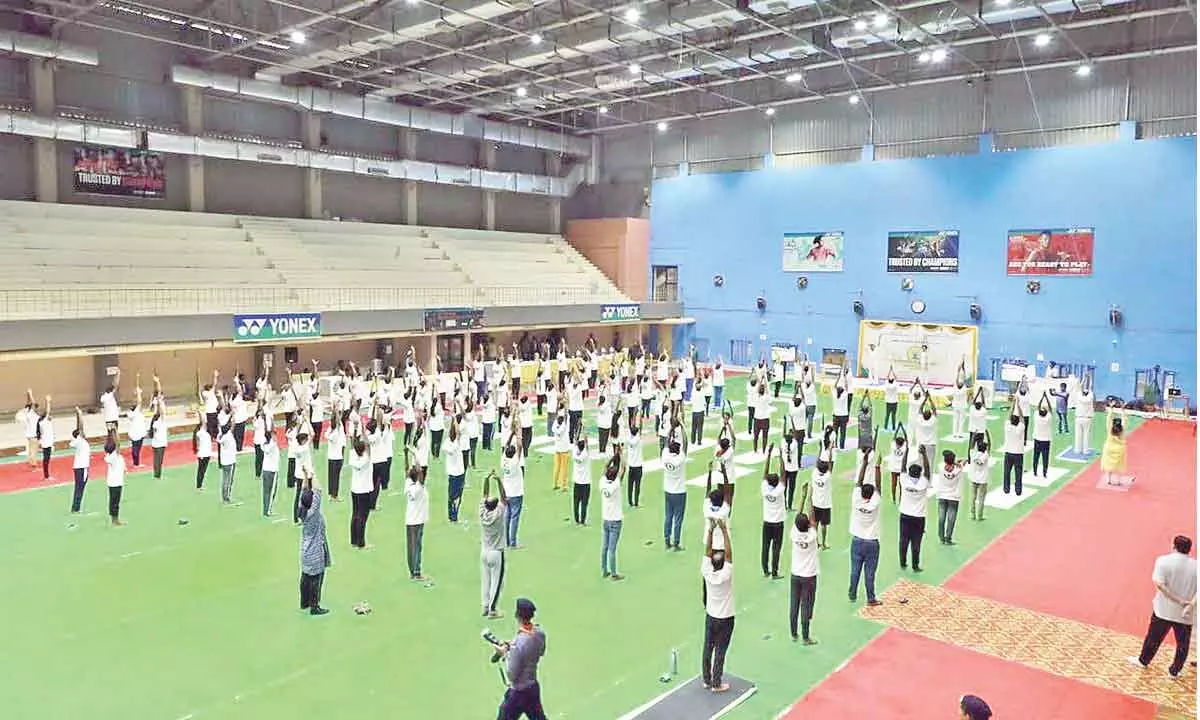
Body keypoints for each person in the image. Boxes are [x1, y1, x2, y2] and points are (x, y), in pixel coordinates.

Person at [1129, 535, 1196, 678]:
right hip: (1185, 613)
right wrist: (1188, 604)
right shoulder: (1196, 566)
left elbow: (1160, 584)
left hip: (1163, 610)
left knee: (1153, 637)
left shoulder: (1163, 561)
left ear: (1174, 546)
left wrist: (1177, 599)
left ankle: (1143, 660)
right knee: (1182, 644)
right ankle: (1175, 671)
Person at [493, 598, 548, 720]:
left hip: (518, 694)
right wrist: (511, 645)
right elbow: (541, 651)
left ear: (517, 615)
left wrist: (504, 655)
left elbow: (512, 674)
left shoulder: (519, 644)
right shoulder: (539, 633)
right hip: (532, 687)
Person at [701, 518, 736, 693]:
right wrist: (724, 531)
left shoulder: (707, 571)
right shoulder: (726, 574)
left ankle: (707, 679)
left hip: (711, 615)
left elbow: (707, 552)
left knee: (708, 647)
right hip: (726, 617)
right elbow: (729, 553)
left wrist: (710, 531)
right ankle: (717, 682)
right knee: (720, 650)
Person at [297, 472, 331, 616]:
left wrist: (306, 476)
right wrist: (313, 474)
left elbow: (303, 492)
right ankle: (314, 605)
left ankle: (304, 602)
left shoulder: (302, 510)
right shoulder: (313, 514)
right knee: (317, 579)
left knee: (305, 577)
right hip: (316, 551)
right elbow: (318, 491)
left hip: (305, 551)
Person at [848, 469, 883, 607]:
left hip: (857, 540)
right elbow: (879, 486)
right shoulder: (875, 503)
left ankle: (852, 593)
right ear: (872, 494)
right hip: (872, 542)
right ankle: (871, 598)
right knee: (870, 573)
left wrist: (864, 462)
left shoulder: (856, 499)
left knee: (855, 570)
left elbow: (859, 482)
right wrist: (877, 468)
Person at [479, 469, 509, 617]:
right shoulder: (499, 513)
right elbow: (504, 498)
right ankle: (493, 609)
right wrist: (499, 481)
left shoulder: (482, 511)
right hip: (496, 552)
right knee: (497, 582)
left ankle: (485, 605)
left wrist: (487, 479)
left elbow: (484, 495)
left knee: (485, 579)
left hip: (484, 551)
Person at [789, 511, 819, 645]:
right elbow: (813, 520)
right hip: (809, 575)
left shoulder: (794, 534)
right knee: (806, 605)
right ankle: (806, 637)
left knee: (794, 604)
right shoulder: (812, 535)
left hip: (796, 574)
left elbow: (800, 523)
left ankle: (794, 633)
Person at [898, 448, 930, 573]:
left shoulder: (904, 481)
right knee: (917, 541)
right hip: (919, 517)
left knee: (903, 539)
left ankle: (902, 561)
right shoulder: (923, 483)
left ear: (909, 473)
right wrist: (924, 455)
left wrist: (906, 452)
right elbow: (928, 471)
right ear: (920, 473)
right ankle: (915, 565)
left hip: (905, 515)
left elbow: (902, 467)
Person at [599, 447, 626, 580]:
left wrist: (613, 456)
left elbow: (605, 467)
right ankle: (614, 573)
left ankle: (604, 570)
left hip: (605, 518)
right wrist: (620, 456)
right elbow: (623, 469)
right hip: (615, 519)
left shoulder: (603, 482)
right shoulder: (615, 485)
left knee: (604, 546)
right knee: (612, 548)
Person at [761, 444, 785, 578]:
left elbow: (764, 474)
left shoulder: (765, 488)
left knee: (765, 546)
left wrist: (768, 455)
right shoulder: (779, 490)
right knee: (776, 548)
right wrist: (781, 456)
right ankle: (775, 572)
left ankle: (765, 570)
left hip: (767, 521)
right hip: (778, 522)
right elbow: (784, 474)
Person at [662, 438, 688, 551]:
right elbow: (685, 443)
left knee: (668, 516)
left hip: (668, 491)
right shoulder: (680, 459)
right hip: (679, 492)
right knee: (678, 518)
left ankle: (667, 541)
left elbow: (666, 444)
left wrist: (671, 428)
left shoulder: (665, 457)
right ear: (678, 451)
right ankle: (676, 543)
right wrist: (681, 426)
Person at [937, 449, 966, 545]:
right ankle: (948, 538)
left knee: (941, 518)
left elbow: (948, 464)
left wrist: (954, 462)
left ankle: (941, 537)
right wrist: (957, 463)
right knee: (951, 518)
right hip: (954, 496)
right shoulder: (959, 469)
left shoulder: (940, 467)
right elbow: (964, 461)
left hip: (942, 495)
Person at [1101, 402, 1129, 486]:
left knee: (1108, 463)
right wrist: (1123, 410)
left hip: (1109, 448)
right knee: (1119, 465)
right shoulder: (1122, 430)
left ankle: (1109, 479)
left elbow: (1108, 419)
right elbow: (1125, 420)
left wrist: (1111, 409)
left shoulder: (1110, 430)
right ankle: (1119, 480)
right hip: (1120, 450)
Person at [69, 408, 91, 514]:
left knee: (78, 487)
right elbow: (80, 427)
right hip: (82, 467)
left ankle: (75, 507)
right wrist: (80, 414)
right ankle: (76, 508)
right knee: (80, 487)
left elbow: (79, 428)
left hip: (78, 467)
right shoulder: (80, 440)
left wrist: (78, 415)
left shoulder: (77, 441)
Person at [1002, 398, 1026, 495]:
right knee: (1018, 473)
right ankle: (1018, 490)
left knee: (1007, 472)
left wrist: (1013, 404)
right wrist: (1019, 406)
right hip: (1018, 454)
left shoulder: (1008, 427)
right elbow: (1022, 418)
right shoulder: (1020, 428)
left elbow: (1009, 416)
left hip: (1008, 453)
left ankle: (1006, 489)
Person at [967, 430, 991, 521]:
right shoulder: (985, 455)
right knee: (981, 499)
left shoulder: (973, 454)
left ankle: (972, 514)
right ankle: (980, 516)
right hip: (983, 480)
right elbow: (990, 445)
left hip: (973, 478)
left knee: (972, 497)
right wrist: (987, 435)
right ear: (985, 448)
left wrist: (974, 435)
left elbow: (971, 445)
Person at [104, 436, 126, 526]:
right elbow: (118, 444)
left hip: (115, 482)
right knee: (115, 502)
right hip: (115, 483)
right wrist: (115, 432)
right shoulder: (113, 457)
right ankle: (115, 519)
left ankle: (114, 518)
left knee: (114, 501)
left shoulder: (111, 456)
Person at [571, 436, 592, 525]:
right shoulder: (585, 455)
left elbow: (575, 444)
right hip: (585, 483)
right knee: (584, 503)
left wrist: (576, 439)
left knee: (576, 502)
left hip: (577, 482)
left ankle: (576, 520)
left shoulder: (574, 454)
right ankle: (583, 520)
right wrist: (586, 438)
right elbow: (586, 447)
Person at [1073, 380, 1096, 455]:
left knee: (1078, 434)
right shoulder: (1090, 397)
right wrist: (1089, 378)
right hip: (1087, 418)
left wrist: (1084, 378)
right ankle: (1085, 450)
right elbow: (1090, 388)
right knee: (1086, 435)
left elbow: (1079, 387)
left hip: (1078, 418)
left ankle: (1077, 449)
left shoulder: (1079, 396)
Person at [261, 429, 280, 517]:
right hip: (272, 470)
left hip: (265, 469)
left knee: (266, 491)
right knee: (272, 491)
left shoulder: (264, 444)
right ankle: (268, 510)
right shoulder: (272, 445)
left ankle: (266, 509)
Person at [194, 417, 213, 491]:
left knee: (203, 470)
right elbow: (203, 420)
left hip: (207, 453)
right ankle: (199, 485)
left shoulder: (206, 432)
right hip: (202, 454)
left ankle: (200, 484)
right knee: (201, 470)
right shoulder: (200, 433)